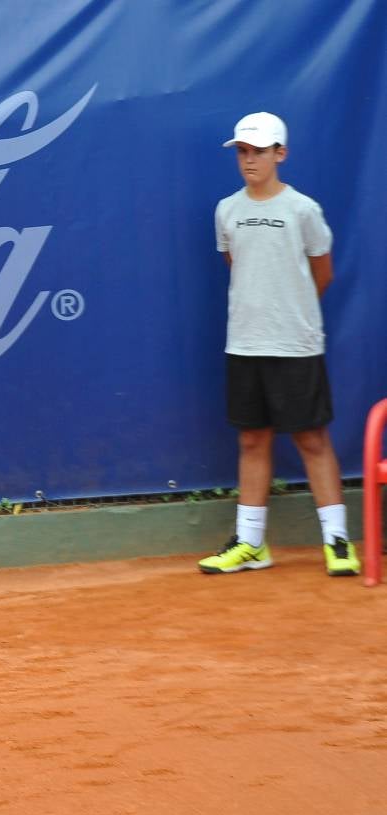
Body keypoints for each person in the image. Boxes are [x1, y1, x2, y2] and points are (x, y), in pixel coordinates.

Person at [198, 112, 360, 577]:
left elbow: (322, 273)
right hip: (244, 343)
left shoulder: (303, 210)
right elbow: (238, 265)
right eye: (242, 152)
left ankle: (337, 541)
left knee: (311, 438)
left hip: (296, 344)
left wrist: (291, 313)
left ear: (280, 154)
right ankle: (251, 544)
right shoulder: (226, 210)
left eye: (259, 151)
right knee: (252, 439)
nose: (249, 160)